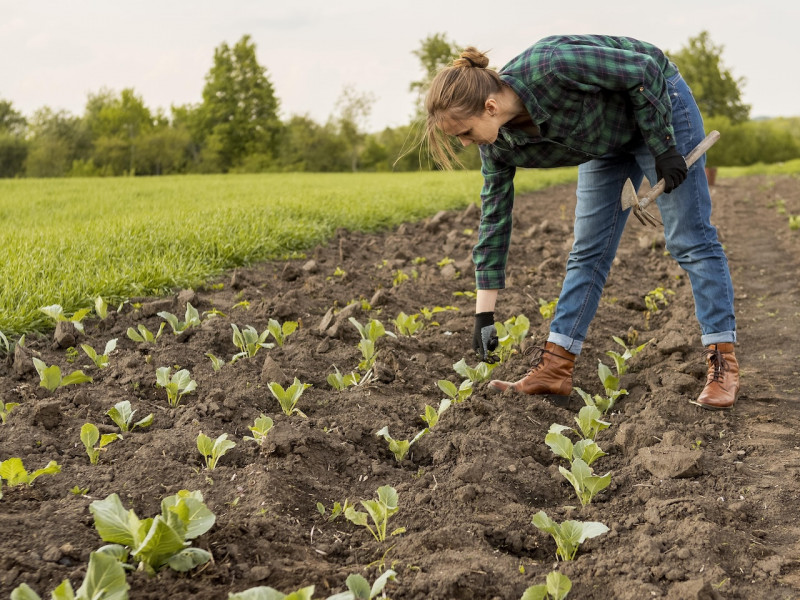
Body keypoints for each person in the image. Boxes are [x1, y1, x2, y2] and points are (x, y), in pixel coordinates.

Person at [423, 34, 738, 410]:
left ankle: (723, 363)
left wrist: (664, 146)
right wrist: (484, 314)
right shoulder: (499, 145)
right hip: (602, 139)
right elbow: (494, 218)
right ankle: (555, 368)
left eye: (464, 133)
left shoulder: (553, 64)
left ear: (489, 106)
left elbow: (645, 70)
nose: (464, 143)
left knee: (690, 239)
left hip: (658, 103)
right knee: (587, 250)